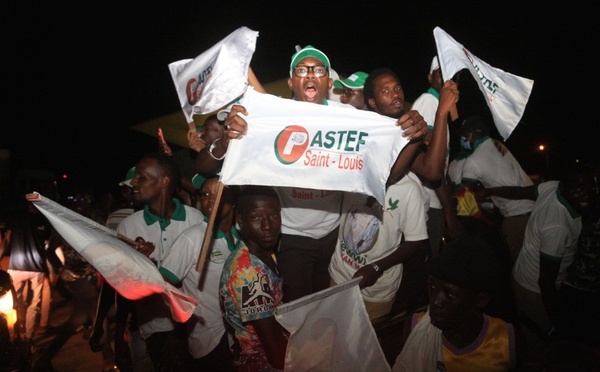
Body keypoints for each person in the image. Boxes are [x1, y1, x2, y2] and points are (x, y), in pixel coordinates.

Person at [196, 45, 429, 303]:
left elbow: (383, 176)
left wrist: (412, 137)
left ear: (328, 82)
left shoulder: (348, 118)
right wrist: (225, 142)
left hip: (333, 237)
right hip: (293, 237)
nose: (310, 75)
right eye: (302, 70)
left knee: (327, 308)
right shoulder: (271, 115)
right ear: (291, 81)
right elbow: (204, 167)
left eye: (318, 70)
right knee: (299, 309)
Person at [363, 67, 460, 315]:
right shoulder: (369, 132)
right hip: (369, 234)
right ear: (373, 102)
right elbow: (389, 175)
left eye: (397, 88)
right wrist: (416, 138)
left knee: (410, 288)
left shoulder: (403, 129)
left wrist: (440, 116)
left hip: (402, 227)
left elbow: (432, 172)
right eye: (385, 91)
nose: (395, 94)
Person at [485, 163, 596, 362]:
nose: (585, 194)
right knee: (538, 344)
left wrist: (490, 191)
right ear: (565, 188)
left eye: (590, 187)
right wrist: (557, 321)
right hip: (534, 292)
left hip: (521, 275)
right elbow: (546, 281)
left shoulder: (552, 187)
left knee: (525, 332)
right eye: (578, 188)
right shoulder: (557, 227)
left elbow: (519, 192)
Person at [116, 152, 204, 371]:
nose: (133, 182)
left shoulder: (196, 220)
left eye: (141, 177)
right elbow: (125, 288)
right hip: (154, 329)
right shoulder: (128, 227)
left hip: (196, 328)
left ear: (164, 181)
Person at [393, 235, 524, 371]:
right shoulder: (416, 327)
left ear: (481, 300)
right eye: (432, 288)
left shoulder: (506, 343)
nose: (436, 301)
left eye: (450, 294)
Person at [158, 177, 238, 371]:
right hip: (210, 338)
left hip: (239, 334)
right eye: (205, 194)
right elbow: (163, 283)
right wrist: (183, 320)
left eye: (218, 193)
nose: (210, 199)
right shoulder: (193, 238)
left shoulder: (240, 236)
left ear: (234, 201)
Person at [328, 173, 429, 321]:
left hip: (377, 291)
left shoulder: (409, 189)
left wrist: (377, 267)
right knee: (333, 328)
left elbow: (415, 241)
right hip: (340, 276)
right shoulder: (353, 169)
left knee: (365, 339)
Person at [219, 185, 288, 371]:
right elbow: (274, 348)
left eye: (273, 216)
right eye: (256, 218)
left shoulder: (264, 251)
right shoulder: (248, 273)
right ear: (240, 220)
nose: (267, 226)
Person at [458, 114, 535, 263]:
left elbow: (465, 200)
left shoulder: (472, 161)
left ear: (477, 133)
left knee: (522, 270)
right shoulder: (497, 144)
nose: (462, 138)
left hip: (515, 220)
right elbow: (501, 178)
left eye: (465, 134)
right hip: (536, 212)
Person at [410, 57, 463, 254]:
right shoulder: (429, 101)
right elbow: (429, 161)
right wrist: (449, 213)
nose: (450, 78)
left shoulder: (439, 107)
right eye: (443, 71)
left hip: (433, 202)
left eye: (455, 75)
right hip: (428, 202)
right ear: (430, 77)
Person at [88, 167, 138, 372]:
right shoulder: (117, 218)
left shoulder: (116, 217)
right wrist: (100, 323)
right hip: (132, 312)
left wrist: (100, 323)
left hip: (136, 312)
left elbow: (112, 273)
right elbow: (112, 272)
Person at [1, 199, 53, 350]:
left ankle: (18, 333)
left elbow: (6, 240)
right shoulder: (43, 219)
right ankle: (28, 338)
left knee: (14, 303)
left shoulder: (15, 217)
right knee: (34, 304)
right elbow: (46, 244)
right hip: (36, 268)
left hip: (17, 266)